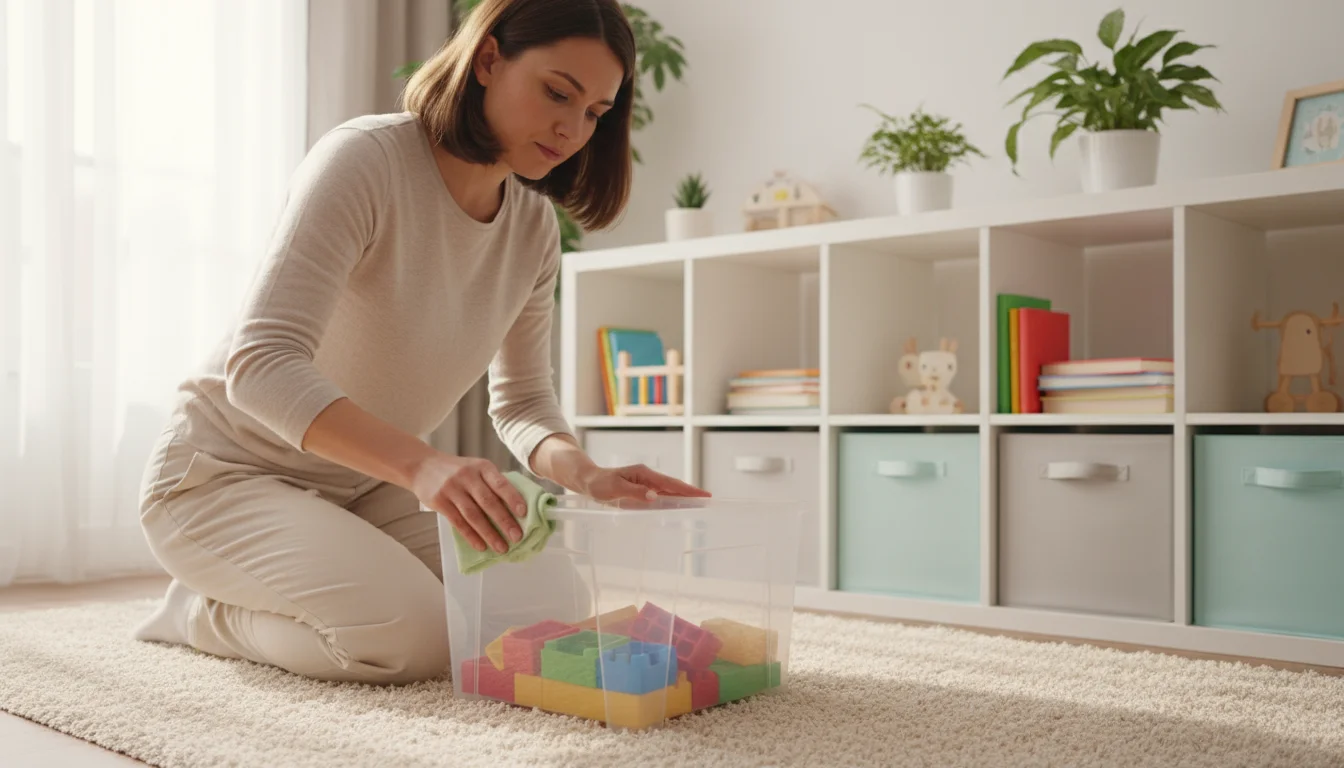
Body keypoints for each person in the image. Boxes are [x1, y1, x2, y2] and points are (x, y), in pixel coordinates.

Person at [132, 0, 707, 686]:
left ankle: (308, 574)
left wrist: (586, 474)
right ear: (488, 60)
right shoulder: (364, 161)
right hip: (221, 476)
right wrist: (424, 467)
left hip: (361, 485)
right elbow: (259, 366)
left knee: (550, 609)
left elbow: (521, 401)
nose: (571, 127)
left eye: (595, 112)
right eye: (558, 92)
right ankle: (200, 612)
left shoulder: (532, 230)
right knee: (411, 640)